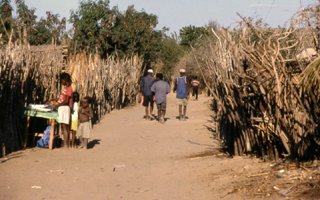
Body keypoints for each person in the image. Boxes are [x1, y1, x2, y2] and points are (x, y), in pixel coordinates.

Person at [46, 72, 73, 149]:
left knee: (65, 126)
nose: (61, 82)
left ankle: (66, 145)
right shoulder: (66, 89)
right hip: (63, 107)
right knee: (64, 126)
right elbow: (62, 99)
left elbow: (66, 101)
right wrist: (52, 99)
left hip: (64, 108)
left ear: (65, 80)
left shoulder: (69, 89)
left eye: (62, 80)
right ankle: (66, 144)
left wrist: (57, 105)